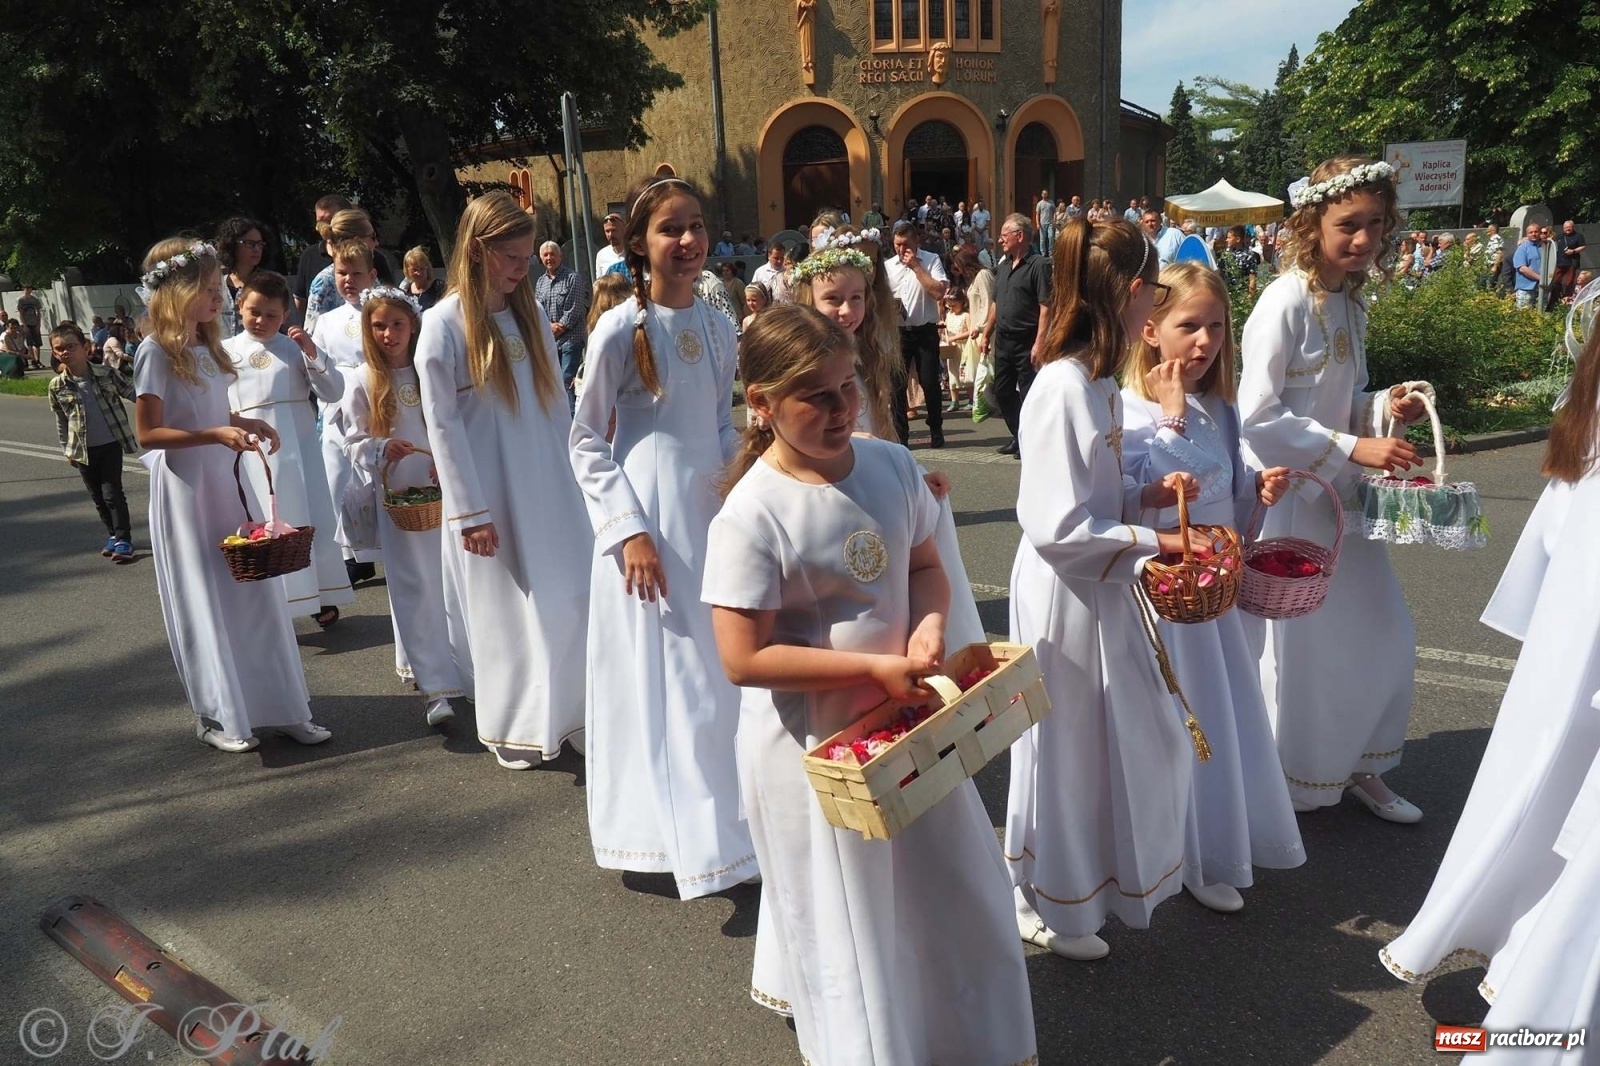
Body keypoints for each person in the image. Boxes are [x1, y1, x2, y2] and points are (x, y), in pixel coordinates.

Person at [703, 302, 1038, 1066]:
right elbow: (743, 657)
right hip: (816, 752)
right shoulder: (753, 514)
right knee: (848, 930)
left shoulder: (888, 464)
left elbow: (923, 562)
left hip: (906, 728)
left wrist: (927, 627)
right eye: (814, 397)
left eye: (847, 387)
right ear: (760, 405)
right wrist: (871, 666)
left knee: (948, 896)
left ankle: (963, 1043)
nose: (840, 408)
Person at [1003, 216, 1205, 962]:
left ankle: (1082, 881)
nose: (1156, 300)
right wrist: (1159, 542)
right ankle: (1041, 894)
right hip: (1065, 589)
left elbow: (1098, 489)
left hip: (1103, 580)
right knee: (1061, 742)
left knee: (1113, 733)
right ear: (1128, 291)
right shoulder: (1061, 387)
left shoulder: (1098, 381)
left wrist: (1147, 498)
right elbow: (1057, 525)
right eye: (1154, 286)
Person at [1381, 316, 1600, 1004]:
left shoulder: (1585, 410)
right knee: (1562, 798)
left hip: (1569, 646)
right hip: (1578, 649)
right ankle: (1537, 966)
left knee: (1549, 790)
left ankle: (1525, 953)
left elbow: (1558, 526)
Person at [570, 175, 757, 895]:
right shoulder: (624, 327)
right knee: (663, 669)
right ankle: (659, 830)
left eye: (697, 226)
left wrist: (738, 491)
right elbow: (586, 440)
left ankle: (726, 827)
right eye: (670, 229)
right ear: (639, 243)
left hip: (706, 512)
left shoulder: (716, 324)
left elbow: (715, 421)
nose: (687, 241)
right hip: (648, 514)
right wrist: (628, 533)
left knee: (713, 669)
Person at [1239, 156, 1429, 821]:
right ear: (1310, 221)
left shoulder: (1350, 302)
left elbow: (1339, 400)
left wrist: (1383, 408)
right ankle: (1296, 777)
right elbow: (1257, 414)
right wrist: (1356, 445)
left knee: (1382, 635)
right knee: (1307, 653)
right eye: (1349, 224)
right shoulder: (1285, 301)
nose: (1364, 240)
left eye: (1376, 225)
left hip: (1343, 501)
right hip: (1293, 503)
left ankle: (1362, 764)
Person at [1120, 262, 1303, 914]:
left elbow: (1227, 504)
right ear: (1149, 329)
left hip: (1212, 596)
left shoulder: (1220, 411)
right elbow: (1140, 500)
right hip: (1164, 594)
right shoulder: (1130, 408)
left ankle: (1213, 845)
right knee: (1174, 722)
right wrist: (1168, 419)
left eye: (1216, 327)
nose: (1205, 342)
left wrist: (1260, 492)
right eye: (1188, 326)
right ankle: (1170, 849)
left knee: (1221, 715)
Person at [131, 237, 330, 753]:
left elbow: (211, 413)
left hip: (227, 483)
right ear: (176, 292)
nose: (219, 297)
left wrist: (244, 422)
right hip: (189, 491)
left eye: (220, 287)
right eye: (209, 288)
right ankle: (221, 715)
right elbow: (149, 434)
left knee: (256, 591)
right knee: (209, 599)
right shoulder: (155, 351)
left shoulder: (209, 346)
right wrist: (214, 436)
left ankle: (283, 706)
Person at [415, 190, 592, 769]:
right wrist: (469, 512)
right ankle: (516, 723)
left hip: (548, 483)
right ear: (480, 249)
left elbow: (555, 408)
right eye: (512, 258)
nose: (523, 269)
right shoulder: (442, 326)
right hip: (491, 495)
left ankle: (575, 712)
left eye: (525, 257)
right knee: (506, 615)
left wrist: (577, 473)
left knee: (567, 599)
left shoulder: (527, 312)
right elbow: (441, 426)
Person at [342, 285, 469, 728]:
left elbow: (452, 422)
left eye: (397, 324)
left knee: (450, 583)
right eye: (379, 326)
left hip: (441, 491)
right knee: (413, 587)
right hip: (399, 500)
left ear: (412, 325)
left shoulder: (427, 371)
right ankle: (434, 686)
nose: (389, 334)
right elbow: (352, 442)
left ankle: (461, 667)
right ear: (367, 329)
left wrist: (447, 460)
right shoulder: (362, 380)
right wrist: (380, 449)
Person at [223, 271, 353, 626]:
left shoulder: (294, 349)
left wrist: (313, 354)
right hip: (253, 451)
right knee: (263, 522)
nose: (262, 321)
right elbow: (216, 401)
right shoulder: (226, 351)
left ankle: (318, 594)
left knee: (307, 518)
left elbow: (333, 391)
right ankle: (271, 600)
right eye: (254, 311)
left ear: (285, 316)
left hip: (298, 450)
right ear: (240, 306)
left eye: (271, 315)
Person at [311, 240, 382, 584]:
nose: (349, 280)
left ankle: (383, 544)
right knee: (338, 476)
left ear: (372, 275)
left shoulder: (381, 312)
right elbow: (318, 363)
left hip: (375, 397)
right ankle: (351, 554)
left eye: (356, 273)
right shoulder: (326, 320)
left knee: (375, 473)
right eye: (342, 273)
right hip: (338, 404)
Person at [48, 322, 138, 561]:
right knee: (97, 497)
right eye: (59, 349)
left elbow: (133, 393)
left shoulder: (105, 373)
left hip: (110, 444)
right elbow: (61, 420)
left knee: (112, 494)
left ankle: (123, 540)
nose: (66, 352)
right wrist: (66, 449)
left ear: (86, 347)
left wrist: (161, 405)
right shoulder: (57, 386)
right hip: (82, 449)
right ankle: (112, 534)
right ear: (54, 353)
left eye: (71, 346)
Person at [982, 214, 1050, 457]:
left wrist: (1040, 342)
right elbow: (995, 303)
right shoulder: (1002, 267)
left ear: (1019, 236)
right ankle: (1019, 434)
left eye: (1004, 235)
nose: (1000, 240)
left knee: (1030, 394)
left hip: (1027, 340)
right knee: (1002, 391)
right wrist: (986, 333)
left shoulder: (1040, 265)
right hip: (1003, 340)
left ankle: (1031, 441)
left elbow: (1046, 307)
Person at [883, 221, 948, 447]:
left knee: (929, 382)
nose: (901, 250)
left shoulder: (931, 260)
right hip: (898, 333)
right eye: (897, 245)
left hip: (925, 331)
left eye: (906, 245)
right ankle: (902, 436)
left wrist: (916, 267)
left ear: (916, 242)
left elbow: (939, 292)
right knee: (897, 386)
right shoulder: (888, 266)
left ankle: (936, 428)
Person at [303, 207, 398, 333]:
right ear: (358, 241)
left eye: (357, 274)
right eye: (373, 237)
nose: (377, 243)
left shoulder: (376, 267)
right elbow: (312, 337)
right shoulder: (324, 281)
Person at [534, 241, 589, 412]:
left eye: (552, 254)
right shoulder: (540, 283)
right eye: (545, 255)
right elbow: (537, 309)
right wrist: (547, 327)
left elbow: (575, 309)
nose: (549, 258)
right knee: (553, 383)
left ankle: (572, 421)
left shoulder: (573, 278)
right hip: (550, 342)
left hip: (570, 340)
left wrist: (558, 328)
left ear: (560, 256)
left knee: (567, 381)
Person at [292, 193, 351, 322]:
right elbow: (300, 300)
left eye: (329, 221)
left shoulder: (370, 256)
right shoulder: (309, 255)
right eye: (320, 222)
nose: (324, 228)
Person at [216, 216, 268, 337]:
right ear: (232, 245)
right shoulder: (215, 281)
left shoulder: (272, 282)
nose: (257, 249)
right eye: (250, 244)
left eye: (260, 244)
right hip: (220, 351)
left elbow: (289, 324)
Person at [940, 289, 973, 411]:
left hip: (963, 348)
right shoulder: (949, 315)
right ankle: (954, 400)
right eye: (949, 305)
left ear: (962, 302)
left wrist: (955, 337)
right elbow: (946, 331)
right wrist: (943, 332)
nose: (951, 308)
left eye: (954, 305)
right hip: (952, 348)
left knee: (965, 372)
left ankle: (971, 399)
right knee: (952, 373)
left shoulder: (966, 315)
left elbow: (970, 331)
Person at [1553, 220, 1587, 304]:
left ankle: (1567, 298)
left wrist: (1573, 251)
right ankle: (1558, 296)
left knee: (1569, 281)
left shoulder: (1578, 236)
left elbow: (1583, 247)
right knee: (1555, 280)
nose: (1567, 229)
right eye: (1565, 227)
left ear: (1572, 227)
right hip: (1560, 262)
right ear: (1563, 228)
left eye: (1569, 227)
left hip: (1571, 262)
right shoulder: (1559, 237)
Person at [401, 246, 445, 311]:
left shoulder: (439, 287)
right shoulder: (405, 291)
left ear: (427, 268)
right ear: (407, 271)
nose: (419, 273)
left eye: (422, 269)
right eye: (414, 270)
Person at [1513, 223, 1544, 310]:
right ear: (1527, 234)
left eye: (1536, 232)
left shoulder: (1544, 247)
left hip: (1543, 287)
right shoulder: (1522, 248)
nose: (1534, 234)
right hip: (1525, 288)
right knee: (1524, 317)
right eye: (1531, 232)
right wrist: (1540, 278)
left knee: (1542, 315)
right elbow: (1522, 268)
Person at [16, 285, 44, 369]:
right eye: (26, 289)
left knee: (37, 343)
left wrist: (38, 324)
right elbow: (20, 313)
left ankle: (38, 360)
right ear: (23, 290)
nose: (28, 290)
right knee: (30, 343)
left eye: (29, 289)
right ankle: (33, 360)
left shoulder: (35, 300)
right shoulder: (20, 300)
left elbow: (38, 312)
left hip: (34, 323)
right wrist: (24, 325)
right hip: (26, 323)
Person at [595, 212, 627, 278]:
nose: (610, 235)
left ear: (624, 229)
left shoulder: (635, 251)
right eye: (607, 231)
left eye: (614, 230)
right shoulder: (601, 255)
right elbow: (599, 285)